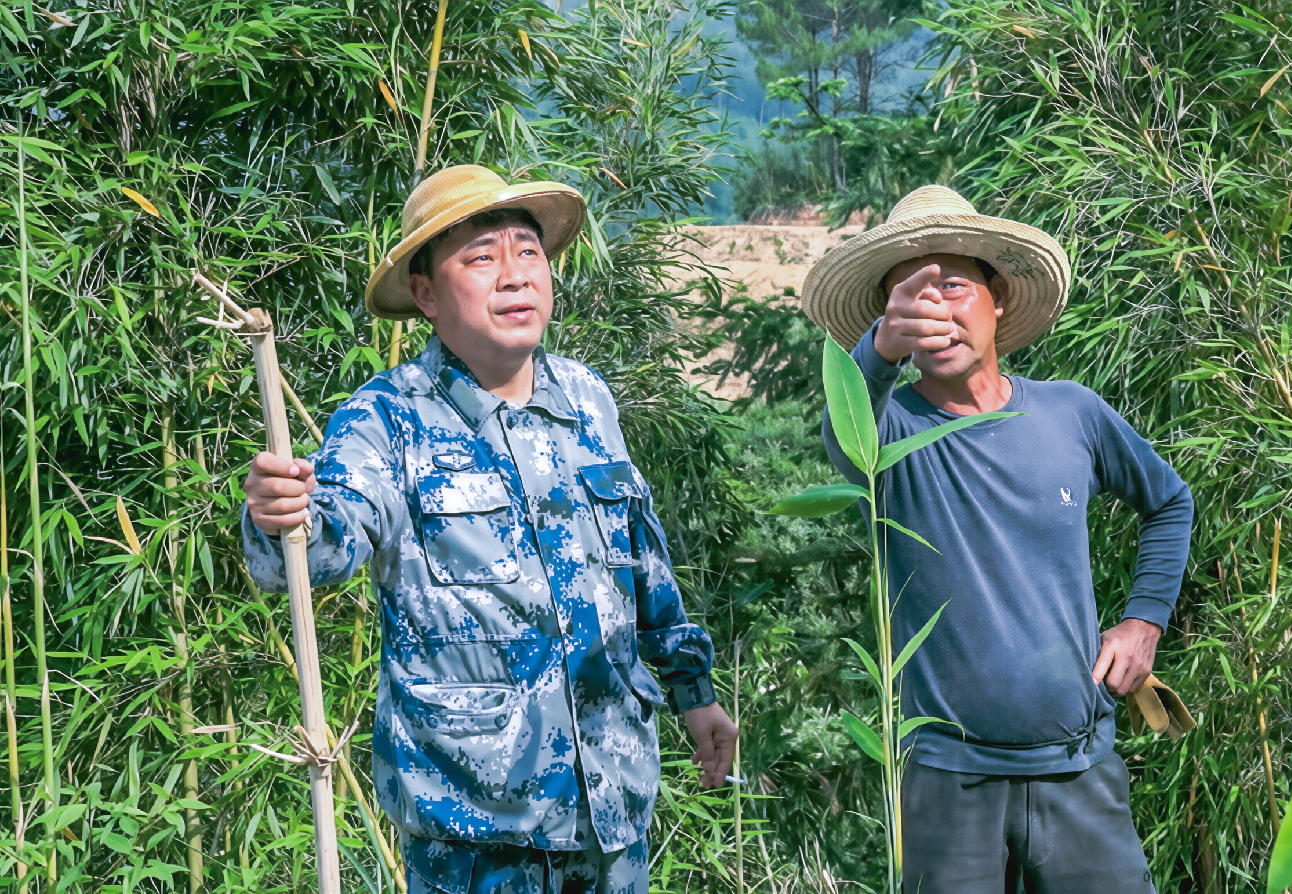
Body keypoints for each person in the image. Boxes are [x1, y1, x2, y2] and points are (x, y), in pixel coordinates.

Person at [242, 165, 738, 894]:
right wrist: (280, 513)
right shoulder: (390, 418)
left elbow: (641, 562)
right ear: (426, 293)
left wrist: (694, 692)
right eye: (480, 258)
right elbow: (324, 538)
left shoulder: (588, 399)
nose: (514, 276)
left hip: (612, 808)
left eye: (527, 252)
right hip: (476, 828)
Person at [803, 185, 1193, 893]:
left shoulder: (1072, 414)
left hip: (1078, 771)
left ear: (999, 297)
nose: (937, 311)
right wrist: (881, 349)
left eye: (953, 286)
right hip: (948, 786)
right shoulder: (888, 435)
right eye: (911, 297)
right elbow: (843, 428)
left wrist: (1143, 624)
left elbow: (1169, 501)